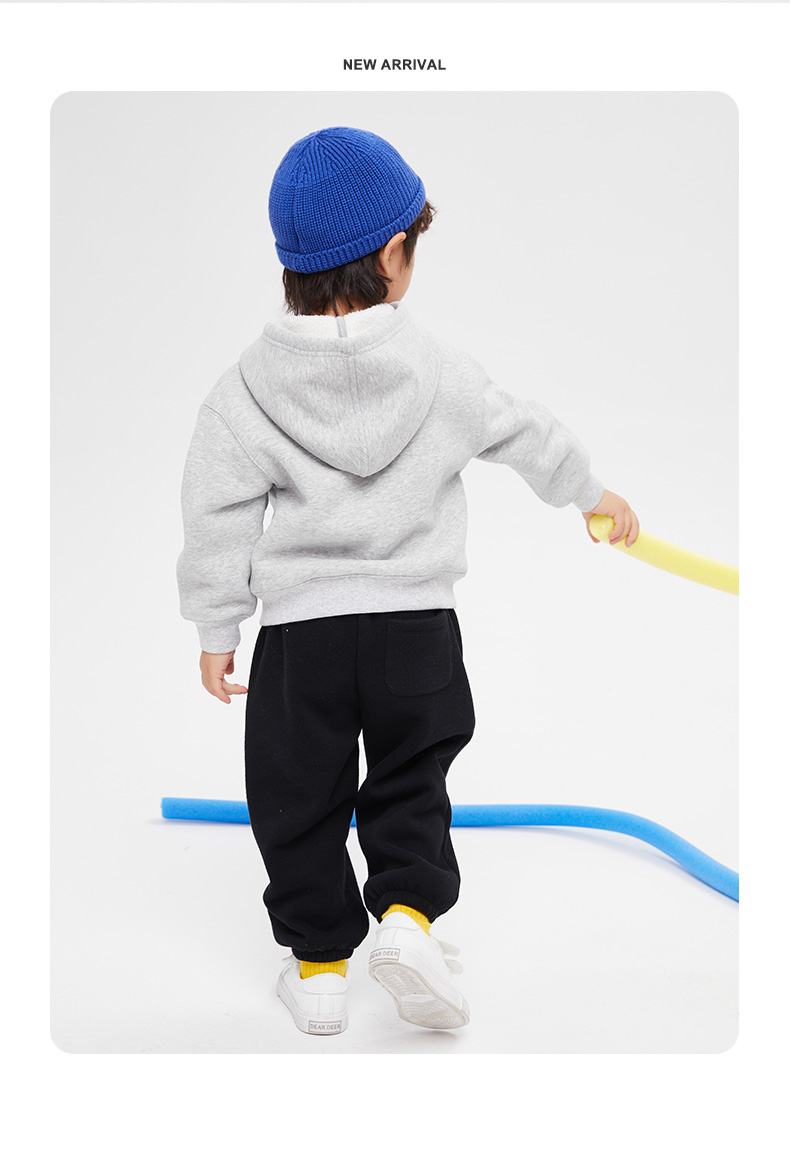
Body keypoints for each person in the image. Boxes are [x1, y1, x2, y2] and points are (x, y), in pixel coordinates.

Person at [176, 126, 639, 1037]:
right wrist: (591, 493)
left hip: (301, 638)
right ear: (393, 255)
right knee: (411, 776)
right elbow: (526, 433)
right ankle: (407, 919)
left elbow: (215, 512)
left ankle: (318, 969)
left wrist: (215, 628)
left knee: (297, 795)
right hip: (415, 629)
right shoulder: (441, 372)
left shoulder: (244, 390)